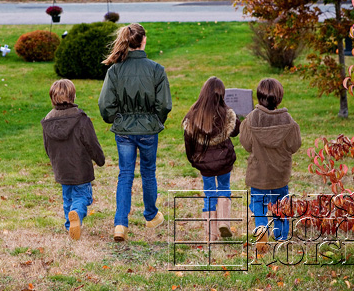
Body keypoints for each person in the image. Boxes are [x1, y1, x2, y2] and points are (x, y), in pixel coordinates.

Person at [98, 23, 172, 242]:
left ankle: (120, 223)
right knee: (148, 172)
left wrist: (117, 119)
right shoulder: (156, 69)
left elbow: (105, 105)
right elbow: (164, 105)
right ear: (143, 41)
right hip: (148, 130)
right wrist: (155, 120)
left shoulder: (116, 70)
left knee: (125, 174)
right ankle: (150, 215)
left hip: (125, 131)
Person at [239, 78, 301, 251]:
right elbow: (295, 145)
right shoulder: (288, 120)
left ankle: (261, 227)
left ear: (259, 97)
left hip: (259, 173)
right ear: (279, 98)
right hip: (280, 174)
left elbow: (246, 144)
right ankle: (280, 235)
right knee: (280, 203)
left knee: (258, 202)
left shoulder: (251, 119)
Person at [42, 79, 105, 241]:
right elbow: (91, 143)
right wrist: (100, 159)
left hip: (61, 169)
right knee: (82, 197)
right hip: (80, 168)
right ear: (73, 96)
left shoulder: (47, 121)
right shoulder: (81, 119)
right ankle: (76, 214)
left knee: (67, 198)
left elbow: (47, 147)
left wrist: (55, 162)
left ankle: (70, 226)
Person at [183, 77, 240, 242]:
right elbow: (237, 129)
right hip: (224, 163)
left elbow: (188, 142)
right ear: (221, 95)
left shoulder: (193, 114)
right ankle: (224, 222)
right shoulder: (226, 113)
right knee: (224, 188)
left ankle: (210, 234)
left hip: (205, 165)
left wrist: (194, 160)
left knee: (209, 193)